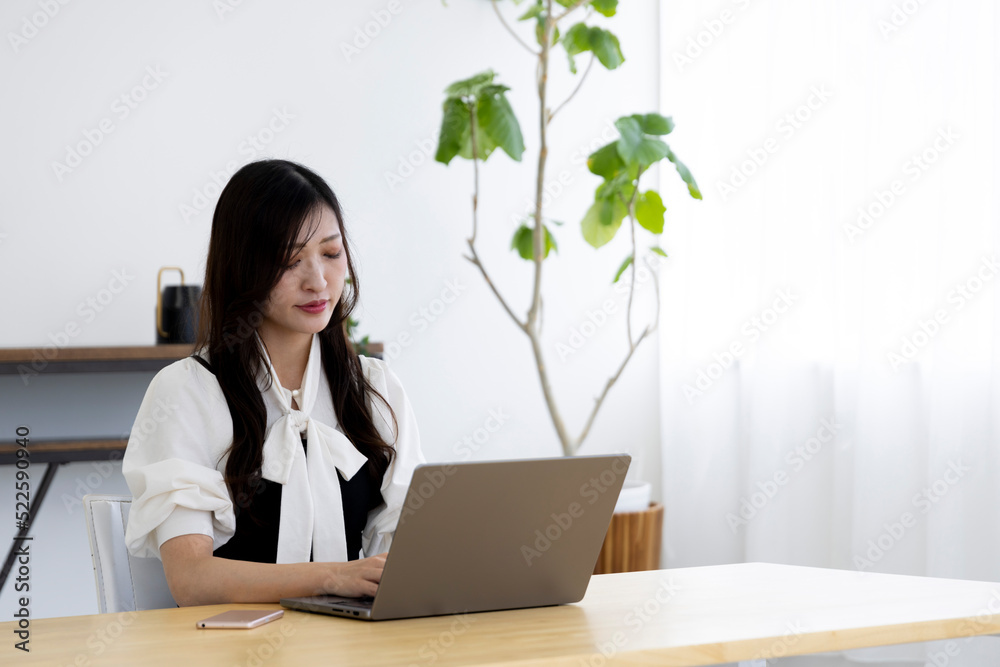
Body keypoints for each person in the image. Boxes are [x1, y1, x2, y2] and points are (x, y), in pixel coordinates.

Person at [122, 159, 425, 606]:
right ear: (242, 267)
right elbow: (191, 580)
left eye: (330, 252)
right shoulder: (187, 392)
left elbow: (409, 550)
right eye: (289, 260)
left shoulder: (375, 387)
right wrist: (333, 577)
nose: (318, 281)